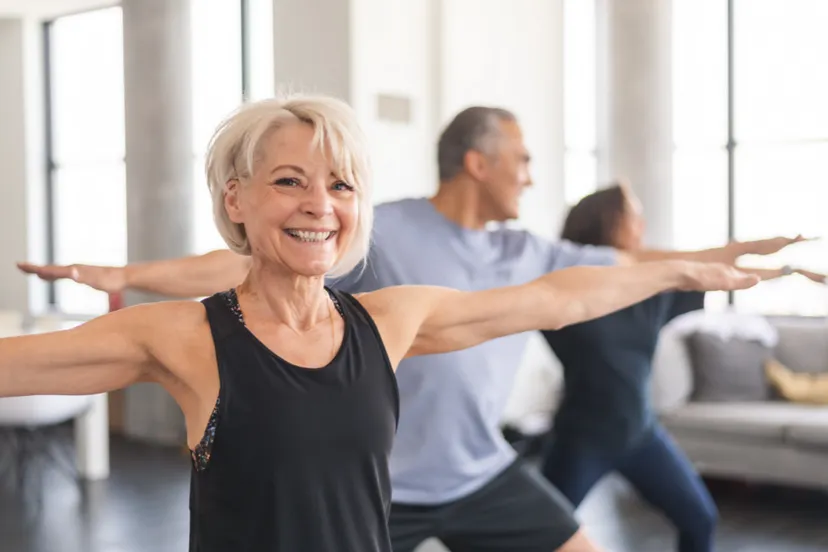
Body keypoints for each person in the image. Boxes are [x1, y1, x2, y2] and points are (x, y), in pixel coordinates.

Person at [17, 105, 800, 552]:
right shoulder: (187, 337)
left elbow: (559, 295)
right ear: (236, 200)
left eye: (340, 184)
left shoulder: (390, 318)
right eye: (288, 181)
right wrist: (125, 277)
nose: (319, 202)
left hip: (476, 473)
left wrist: (686, 270)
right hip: (407, 487)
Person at [538, 182, 826, 552]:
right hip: (581, 440)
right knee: (539, 535)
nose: (642, 225)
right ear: (607, 222)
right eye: (633, 216)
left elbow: (714, 269)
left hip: (641, 435)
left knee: (700, 519)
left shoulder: (652, 292)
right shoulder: (566, 293)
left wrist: (789, 269)